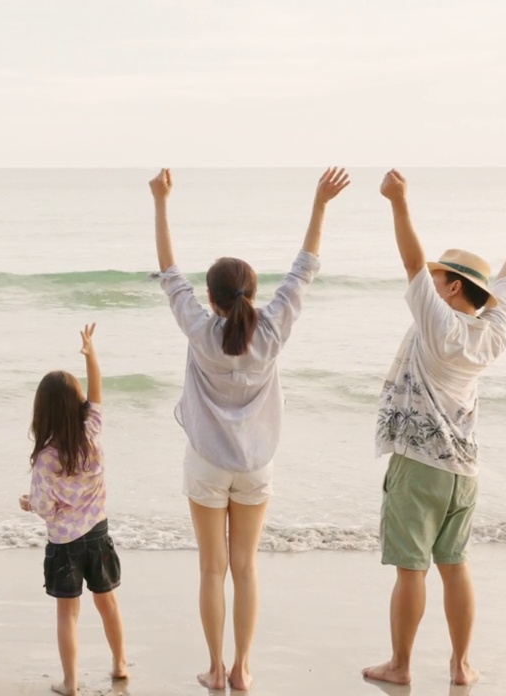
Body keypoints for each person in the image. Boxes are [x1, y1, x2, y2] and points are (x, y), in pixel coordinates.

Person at [150, 167, 350, 690]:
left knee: (212, 569)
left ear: (212, 300)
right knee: (246, 568)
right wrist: (320, 203)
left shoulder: (199, 330)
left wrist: (161, 201)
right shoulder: (272, 329)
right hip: (257, 464)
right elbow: (304, 269)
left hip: (207, 465)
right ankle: (242, 670)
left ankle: (214, 669)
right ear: (251, 294)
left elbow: (170, 271)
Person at [362, 169, 506, 687]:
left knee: (411, 569)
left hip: (420, 469)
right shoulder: (491, 333)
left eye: (442, 279)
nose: (431, 282)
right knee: (455, 564)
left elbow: (412, 262)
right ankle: (461, 665)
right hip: (464, 472)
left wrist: (399, 201)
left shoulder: (438, 325)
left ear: (454, 287)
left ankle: (400, 665)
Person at [19, 323, 128, 696]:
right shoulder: (92, 432)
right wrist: (90, 353)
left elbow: (46, 507)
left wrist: (28, 503)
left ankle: (70, 683)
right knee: (107, 602)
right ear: (77, 403)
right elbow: (98, 391)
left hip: (64, 543)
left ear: (42, 411)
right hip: (98, 534)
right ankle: (120, 664)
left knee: (68, 614)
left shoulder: (45, 458)